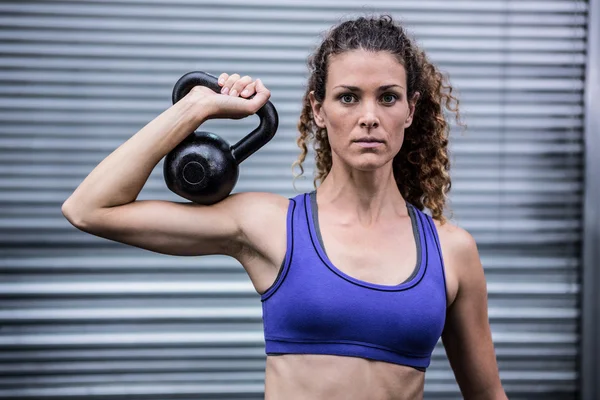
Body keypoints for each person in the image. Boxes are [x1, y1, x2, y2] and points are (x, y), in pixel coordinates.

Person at [62, 15, 507, 400]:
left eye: (387, 97)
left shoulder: (451, 251)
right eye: (348, 97)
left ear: (410, 111)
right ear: (318, 109)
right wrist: (197, 108)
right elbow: (89, 208)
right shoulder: (270, 225)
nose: (368, 116)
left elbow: (486, 393)